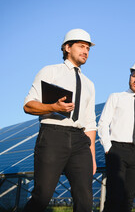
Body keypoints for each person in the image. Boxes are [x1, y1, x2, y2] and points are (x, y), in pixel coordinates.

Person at [22, 28, 97, 212]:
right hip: (53, 135)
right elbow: (28, 105)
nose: (85, 51)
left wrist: (92, 156)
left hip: (80, 141)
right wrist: (53, 107)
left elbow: (90, 122)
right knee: (43, 196)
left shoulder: (89, 83)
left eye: (88, 47)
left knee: (85, 199)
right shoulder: (50, 71)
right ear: (67, 47)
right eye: (81, 46)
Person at [98, 60, 135, 212]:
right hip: (116, 150)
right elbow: (103, 123)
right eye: (134, 76)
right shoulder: (116, 97)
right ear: (130, 76)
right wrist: (108, 148)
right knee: (114, 197)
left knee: (128, 199)